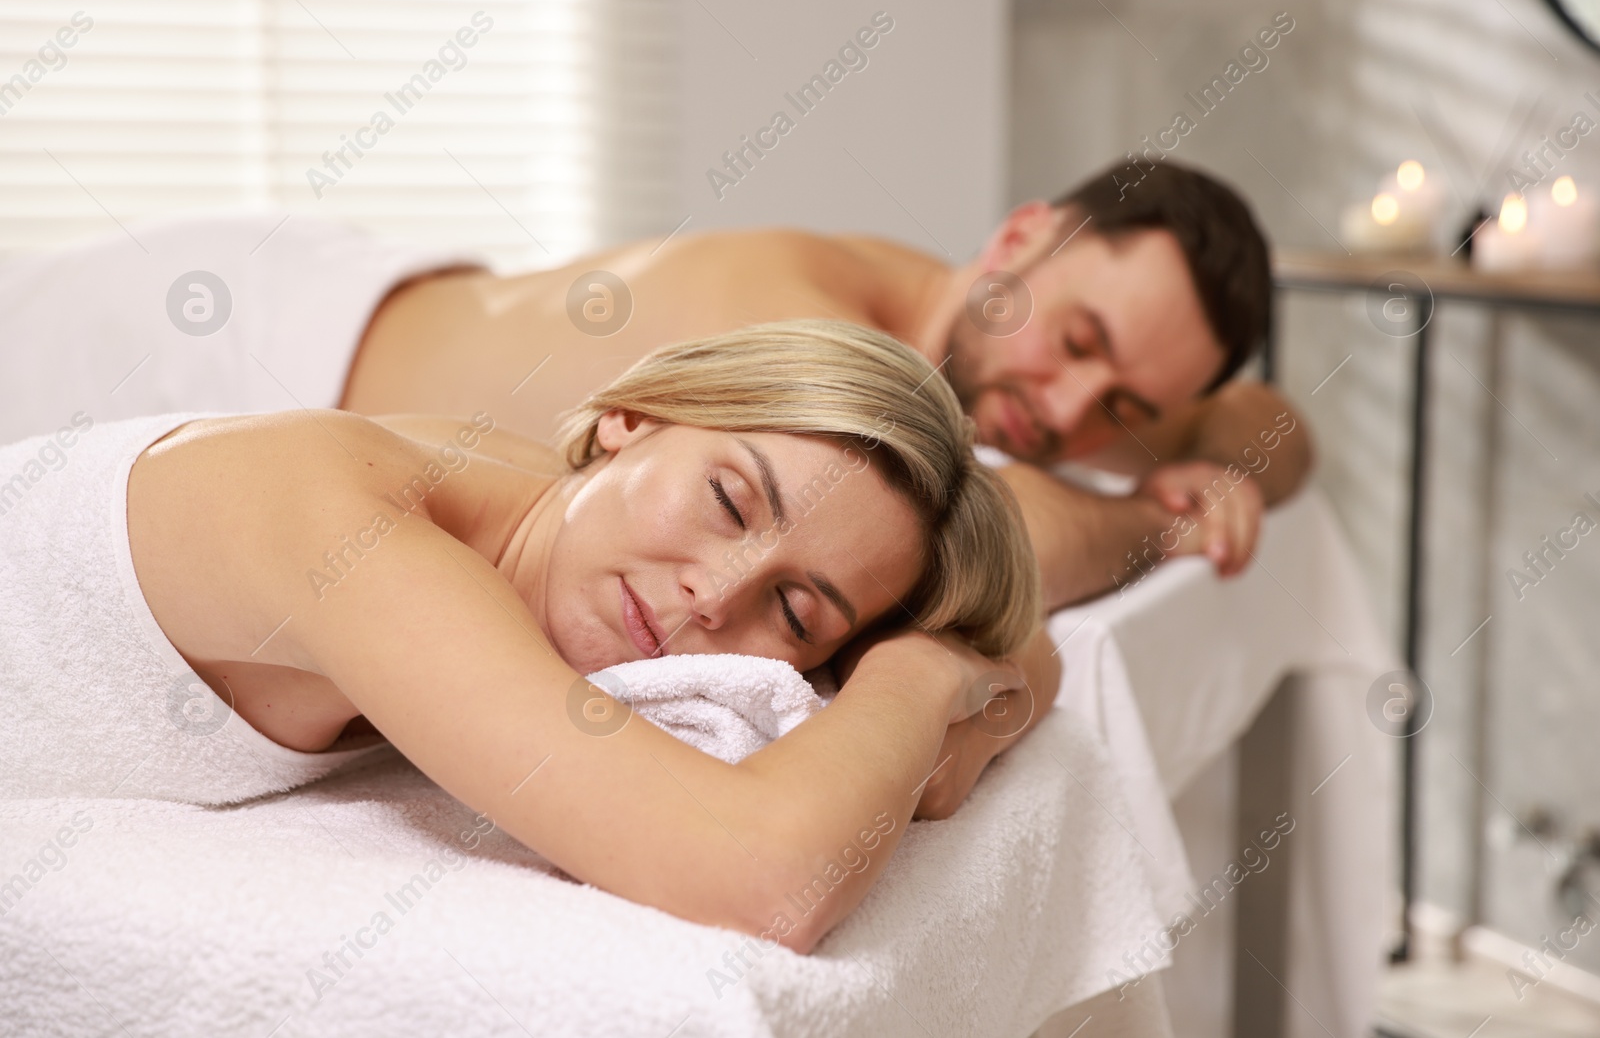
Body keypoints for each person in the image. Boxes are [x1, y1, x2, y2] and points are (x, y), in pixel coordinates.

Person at [0, 320, 1053, 953]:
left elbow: (1033, 652)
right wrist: (919, 679)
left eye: (794, 610)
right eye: (730, 501)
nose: (710, 597)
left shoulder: (543, 516)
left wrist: (973, 684)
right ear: (629, 419)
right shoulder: (344, 521)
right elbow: (763, 879)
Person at [340, 160, 1313, 608]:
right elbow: (1004, 539)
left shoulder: (964, 329)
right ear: (1016, 239)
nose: (1064, 412)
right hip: (308, 346)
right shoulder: (824, 336)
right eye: (1075, 338)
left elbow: (1278, 426)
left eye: (1123, 409)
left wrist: (1224, 461)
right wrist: (1160, 519)